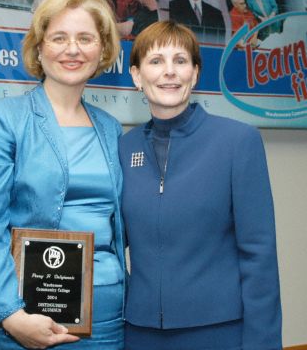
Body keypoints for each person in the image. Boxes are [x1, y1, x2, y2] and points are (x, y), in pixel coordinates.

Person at [0, 0, 126, 350]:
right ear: (39, 47)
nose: (72, 49)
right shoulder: (1, 120)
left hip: (107, 317)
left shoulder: (111, 128)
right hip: (23, 318)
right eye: (59, 37)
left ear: (103, 49)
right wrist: (11, 316)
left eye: (85, 38)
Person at [119, 20, 282, 350]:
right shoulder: (124, 148)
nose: (169, 72)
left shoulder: (238, 141)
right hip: (140, 333)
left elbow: (259, 256)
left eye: (180, 61)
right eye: (155, 61)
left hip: (218, 331)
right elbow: (109, 241)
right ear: (136, 76)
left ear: (194, 73)